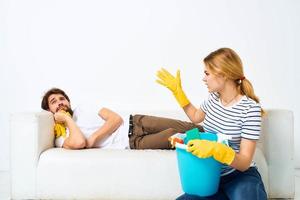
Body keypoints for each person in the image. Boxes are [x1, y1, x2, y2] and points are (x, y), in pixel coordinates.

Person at [156, 48, 267, 200]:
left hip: (239, 176)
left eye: (207, 73)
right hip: (210, 176)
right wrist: (178, 93)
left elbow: (244, 163)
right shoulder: (213, 99)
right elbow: (195, 117)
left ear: (224, 74)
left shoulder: (250, 109)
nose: (203, 78)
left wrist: (218, 150)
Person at [41, 88, 203, 150]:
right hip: (132, 143)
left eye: (62, 99)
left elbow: (115, 119)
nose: (60, 103)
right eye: (54, 102)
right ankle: (211, 144)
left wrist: (94, 138)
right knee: (174, 136)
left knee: (187, 126)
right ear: (50, 111)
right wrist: (66, 120)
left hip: (137, 122)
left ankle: (219, 137)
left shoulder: (83, 108)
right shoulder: (61, 138)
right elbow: (79, 143)